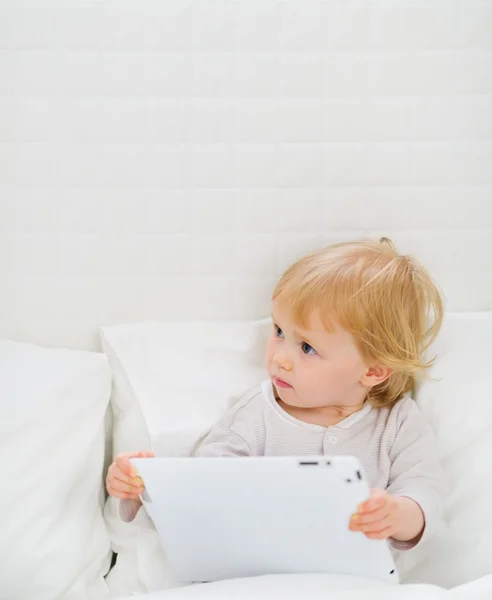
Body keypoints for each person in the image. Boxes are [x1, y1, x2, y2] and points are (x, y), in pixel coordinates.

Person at [106, 238, 447, 550]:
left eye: (308, 348)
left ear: (372, 371)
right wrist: (142, 487)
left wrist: (399, 514)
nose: (280, 358)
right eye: (279, 331)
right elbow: (204, 488)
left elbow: (425, 490)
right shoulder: (256, 414)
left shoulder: (398, 423)